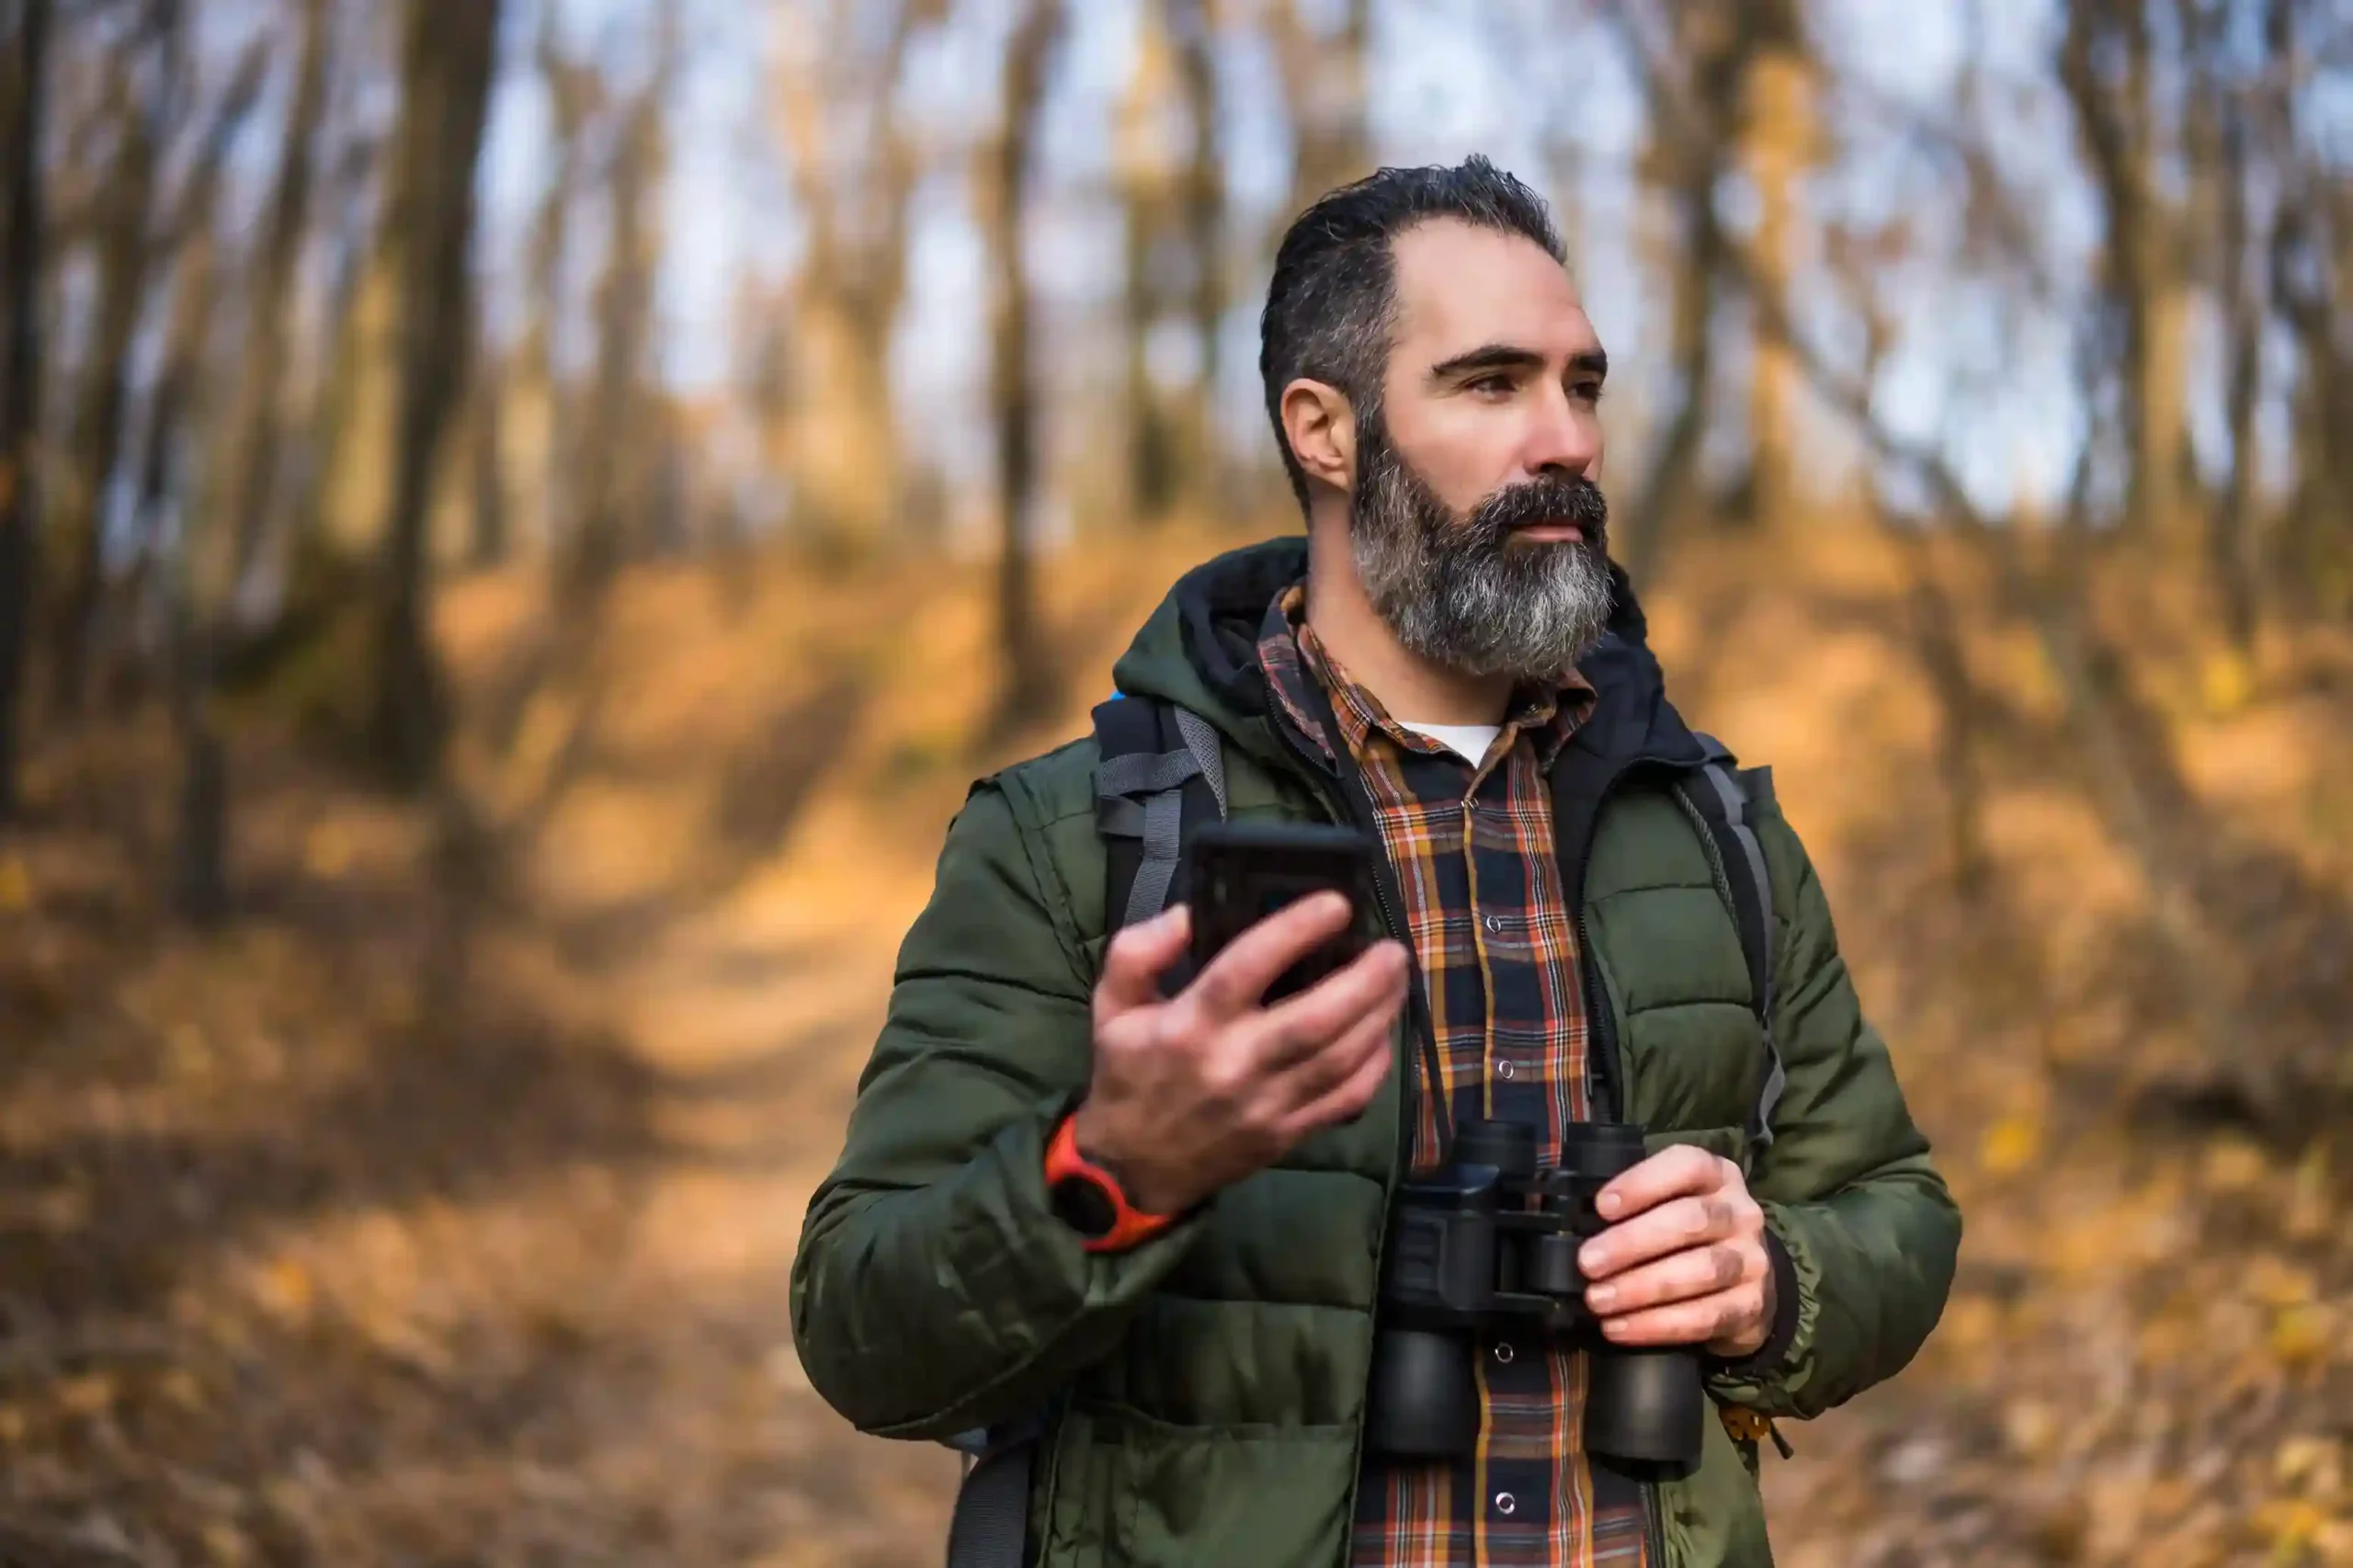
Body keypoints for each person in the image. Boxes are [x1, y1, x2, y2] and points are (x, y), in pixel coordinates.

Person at [790, 156, 1961, 1568]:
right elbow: (865, 1327)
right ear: (1325, 429)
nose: (1568, 440)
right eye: (1490, 383)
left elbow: (1895, 1208)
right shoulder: (1076, 835)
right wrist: (1111, 1169)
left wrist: (1771, 1281)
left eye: (1583, 384)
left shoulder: (1704, 822)